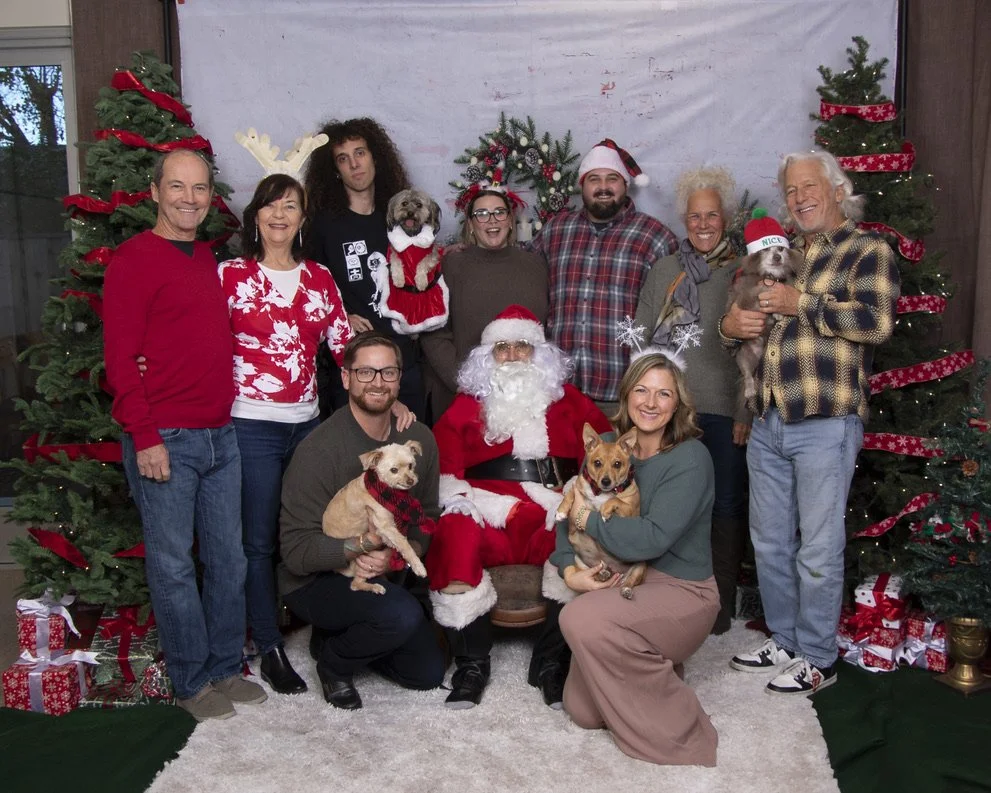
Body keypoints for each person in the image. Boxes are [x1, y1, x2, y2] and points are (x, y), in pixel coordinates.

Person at [721, 150, 899, 695]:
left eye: (808, 186)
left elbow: (877, 322)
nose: (799, 198)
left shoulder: (868, 248)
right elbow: (746, 327)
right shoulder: (783, 252)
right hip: (769, 418)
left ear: (837, 189)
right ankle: (787, 637)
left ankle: (818, 654)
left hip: (825, 420)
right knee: (770, 541)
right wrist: (732, 325)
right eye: (791, 191)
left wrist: (804, 302)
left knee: (818, 546)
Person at [103, 149, 267, 721]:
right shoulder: (132, 260)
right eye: (178, 187)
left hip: (222, 434)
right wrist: (144, 435)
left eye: (199, 189)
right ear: (155, 192)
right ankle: (191, 680)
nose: (190, 198)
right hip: (166, 436)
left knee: (229, 561)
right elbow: (121, 359)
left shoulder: (208, 258)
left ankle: (225, 666)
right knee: (173, 564)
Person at [427, 305, 611, 709]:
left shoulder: (570, 401)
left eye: (522, 347)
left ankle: (551, 661)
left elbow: (609, 447)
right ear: (487, 358)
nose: (511, 356)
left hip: (551, 513)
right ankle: (471, 663)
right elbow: (445, 469)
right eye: (502, 348)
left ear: (539, 354)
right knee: (453, 531)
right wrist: (471, 503)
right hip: (489, 515)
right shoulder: (466, 404)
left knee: (582, 542)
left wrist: (587, 498)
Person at [217, 173, 354, 695]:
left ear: (301, 220)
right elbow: (198, 336)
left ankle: (323, 628)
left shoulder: (319, 278)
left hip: (307, 425)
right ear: (256, 216)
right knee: (256, 542)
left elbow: (345, 351)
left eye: (291, 205)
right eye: (271, 205)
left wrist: (383, 394)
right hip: (250, 424)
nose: (280, 214)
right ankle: (269, 644)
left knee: (311, 531)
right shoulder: (230, 276)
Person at [551, 352, 720, 766]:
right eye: (641, 390)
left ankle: (676, 714)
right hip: (630, 581)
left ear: (677, 403)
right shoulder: (611, 453)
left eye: (663, 394)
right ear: (626, 396)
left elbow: (651, 538)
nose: (650, 402)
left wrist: (588, 518)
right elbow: (567, 515)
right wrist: (570, 572)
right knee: (583, 710)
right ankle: (648, 660)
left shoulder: (690, 459)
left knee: (577, 619)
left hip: (683, 591)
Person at [277, 332, 444, 710]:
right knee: (401, 615)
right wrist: (364, 545)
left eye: (387, 372)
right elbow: (296, 552)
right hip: (315, 580)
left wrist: (400, 555)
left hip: (384, 574)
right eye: (365, 372)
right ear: (346, 378)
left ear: (400, 379)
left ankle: (348, 631)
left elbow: (428, 515)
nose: (377, 382)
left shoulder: (417, 439)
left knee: (427, 674)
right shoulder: (319, 450)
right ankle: (333, 662)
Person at [634, 166, 748, 635]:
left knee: (723, 505)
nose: (703, 225)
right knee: (664, 504)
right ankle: (665, 597)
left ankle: (717, 607)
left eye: (712, 216)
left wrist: (745, 409)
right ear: (685, 220)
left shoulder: (744, 272)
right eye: (695, 217)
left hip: (724, 406)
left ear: (726, 219)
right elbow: (642, 341)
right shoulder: (664, 270)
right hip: (671, 410)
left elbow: (759, 348)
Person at [530, 138, 678, 411]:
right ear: (582, 186)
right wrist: (467, 248)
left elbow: (676, 310)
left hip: (625, 393)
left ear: (625, 185)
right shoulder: (555, 231)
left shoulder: (655, 236)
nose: (603, 187)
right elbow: (522, 273)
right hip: (560, 392)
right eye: (594, 179)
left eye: (612, 179)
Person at [304, 117, 425, 418]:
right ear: (335, 170)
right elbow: (307, 288)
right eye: (343, 159)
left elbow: (425, 272)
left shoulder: (400, 217)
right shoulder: (322, 225)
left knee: (410, 456)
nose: (354, 164)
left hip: (403, 362)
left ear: (375, 158)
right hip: (354, 365)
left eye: (360, 153)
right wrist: (341, 315)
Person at [421, 182, 548, 418]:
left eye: (499, 212)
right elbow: (433, 332)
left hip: (525, 397)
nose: (492, 220)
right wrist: (461, 381)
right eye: (482, 214)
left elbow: (545, 331)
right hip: (464, 397)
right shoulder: (450, 266)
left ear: (510, 221)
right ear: (470, 225)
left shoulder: (536, 266)